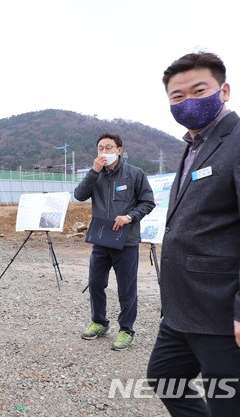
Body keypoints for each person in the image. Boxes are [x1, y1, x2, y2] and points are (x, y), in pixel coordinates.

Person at [147, 51, 240, 414]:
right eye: (178, 96)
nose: (188, 102)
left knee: (231, 402)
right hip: (183, 307)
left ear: (223, 90)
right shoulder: (195, 143)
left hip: (223, 309)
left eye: (199, 90)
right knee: (164, 377)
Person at [74, 133, 155, 351]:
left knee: (126, 288)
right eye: (101, 148)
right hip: (101, 239)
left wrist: (129, 216)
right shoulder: (95, 174)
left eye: (109, 148)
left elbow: (148, 202)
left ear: (119, 150)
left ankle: (126, 330)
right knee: (96, 283)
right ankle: (100, 322)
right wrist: (94, 171)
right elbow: (79, 195)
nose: (104, 152)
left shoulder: (135, 174)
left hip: (126, 241)